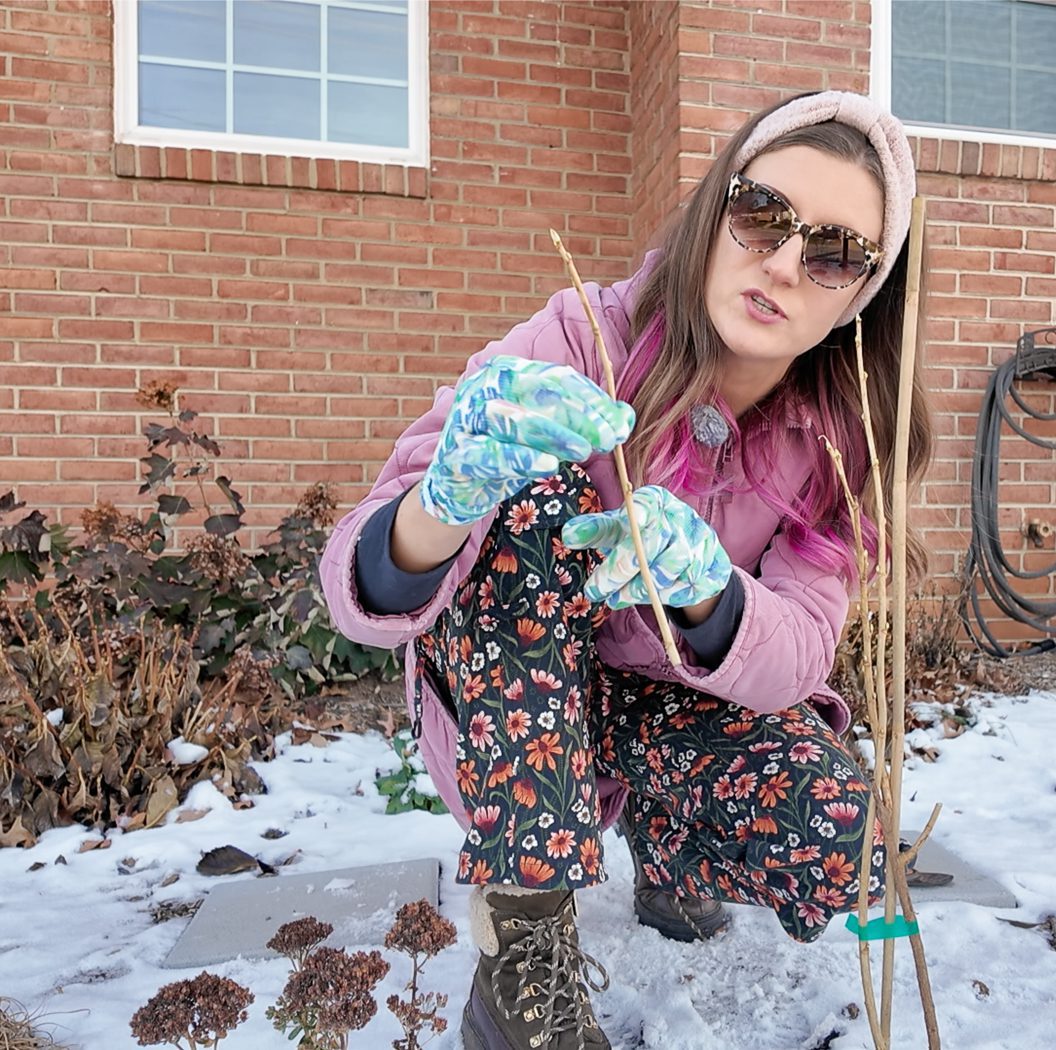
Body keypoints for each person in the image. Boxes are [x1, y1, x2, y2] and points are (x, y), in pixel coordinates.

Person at [320, 90, 932, 1050]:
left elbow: (800, 658)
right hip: (517, 696)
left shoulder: (841, 446)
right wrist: (444, 501)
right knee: (526, 498)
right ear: (714, 211)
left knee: (840, 835)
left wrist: (707, 591)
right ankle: (525, 958)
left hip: (669, 714)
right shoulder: (581, 336)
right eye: (761, 212)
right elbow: (355, 591)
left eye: (833, 251)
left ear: (864, 292)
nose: (780, 261)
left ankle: (672, 850)